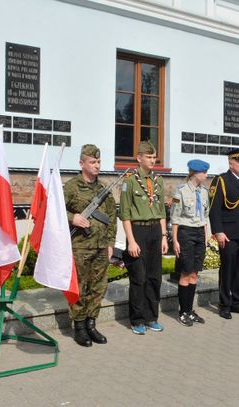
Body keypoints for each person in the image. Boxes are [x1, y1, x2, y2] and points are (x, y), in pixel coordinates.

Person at [64, 144, 117, 347]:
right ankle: (79, 327)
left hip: (101, 246)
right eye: (92, 162)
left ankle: (91, 324)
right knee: (80, 288)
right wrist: (73, 217)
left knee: (98, 287)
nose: (97, 166)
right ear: (82, 163)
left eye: (98, 162)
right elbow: (54, 208)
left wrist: (111, 242)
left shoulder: (103, 189)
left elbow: (112, 217)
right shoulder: (71, 187)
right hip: (80, 246)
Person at [120, 141, 168, 335]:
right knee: (138, 278)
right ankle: (137, 319)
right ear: (139, 158)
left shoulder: (159, 180)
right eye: (148, 157)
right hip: (138, 231)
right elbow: (125, 213)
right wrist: (131, 240)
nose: (152, 160)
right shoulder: (129, 180)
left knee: (154, 277)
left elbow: (162, 210)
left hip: (155, 231)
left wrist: (164, 236)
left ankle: (151, 317)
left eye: (154, 156)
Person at [209, 148, 239, 319]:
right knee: (228, 269)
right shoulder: (221, 180)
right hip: (229, 233)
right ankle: (225, 304)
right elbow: (214, 209)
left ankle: (237, 302)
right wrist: (218, 232)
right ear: (231, 163)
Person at [171, 159, 210, 326]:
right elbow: (175, 217)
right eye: (204, 172)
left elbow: (206, 215)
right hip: (185, 233)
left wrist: (206, 235)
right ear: (195, 173)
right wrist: (175, 240)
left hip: (200, 233)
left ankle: (190, 310)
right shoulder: (180, 192)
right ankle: (182, 311)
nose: (207, 175)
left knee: (195, 272)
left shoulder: (204, 192)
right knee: (185, 273)